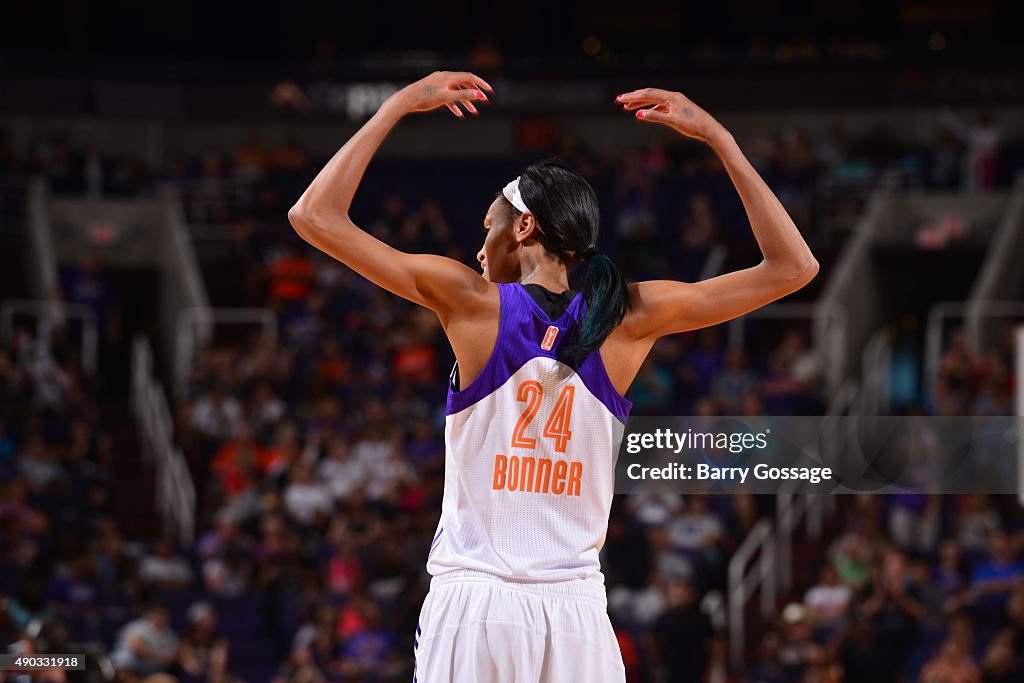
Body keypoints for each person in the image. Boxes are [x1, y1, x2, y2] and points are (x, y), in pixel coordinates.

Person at [288, 70, 818, 683]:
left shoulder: (473, 302)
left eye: (488, 225)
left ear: (524, 226)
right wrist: (721, 139)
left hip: (478, 603)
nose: (480, 247)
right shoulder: (628, 318)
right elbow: (793, 267)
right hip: (577, 618)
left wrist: (397, 107)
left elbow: (314, 217)